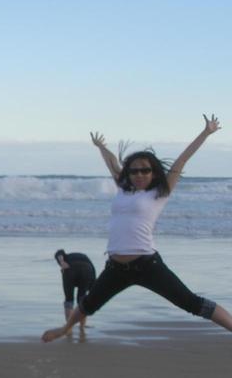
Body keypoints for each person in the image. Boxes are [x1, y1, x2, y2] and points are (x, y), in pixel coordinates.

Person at [42, 115, 232, 343]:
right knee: (89, 303)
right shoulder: (123, 189)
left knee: (191, 302)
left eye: (145, 170)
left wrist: (206, 132)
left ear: (153, 173)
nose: (140, 174)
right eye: (134, 171)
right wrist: (102, 147)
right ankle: (65, 329)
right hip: (115, 268)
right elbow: (112, 164)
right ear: (128, 174)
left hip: (147, 264)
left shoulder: (159, 193)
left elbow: (181, 161)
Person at [54, 249, 95, 328]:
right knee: (82, 300)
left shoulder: (67, 257)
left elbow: (59, 253)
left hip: (70, 268)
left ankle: (68, 327)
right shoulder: (85, 257)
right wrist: (91, 288)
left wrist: (62, 262)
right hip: (87, 269)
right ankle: (82, 327)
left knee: (69, 299)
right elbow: (93, 273)